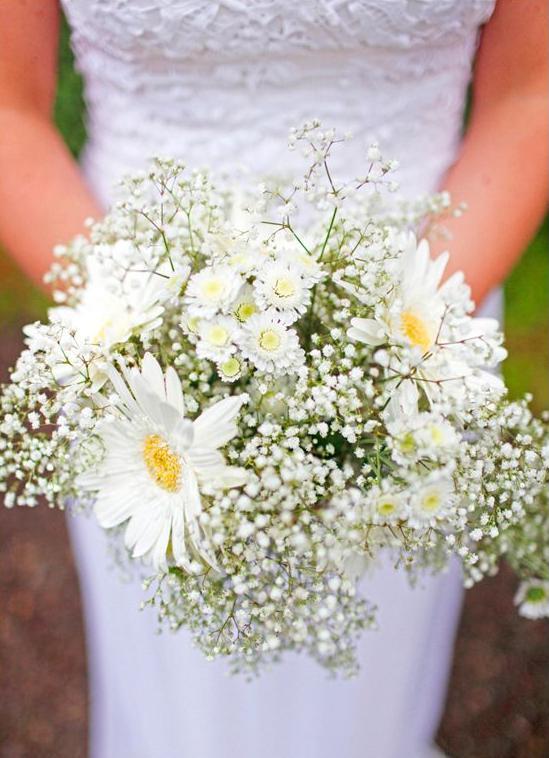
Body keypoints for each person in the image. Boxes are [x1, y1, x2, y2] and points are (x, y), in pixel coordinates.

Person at [0, 2, 547, 756]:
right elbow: (8, 110)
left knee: (367, 689)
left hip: (424, 323)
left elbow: (531, 93)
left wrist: (386, 361)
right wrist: (145, 341)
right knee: (176, 692)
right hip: (134, 341)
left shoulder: (407, 350)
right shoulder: (138, 345)